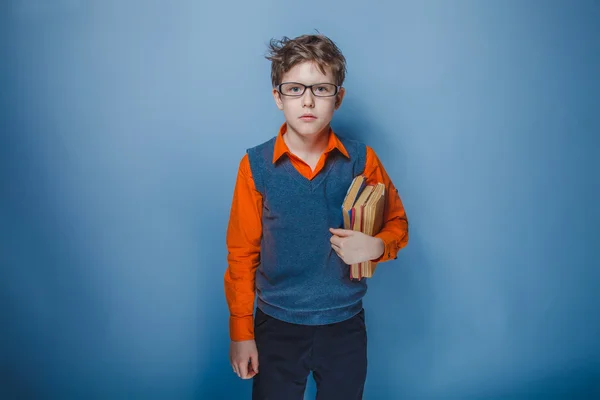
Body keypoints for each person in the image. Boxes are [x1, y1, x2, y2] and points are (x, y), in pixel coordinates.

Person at [224, 33, 409, 400]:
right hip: (276, 323)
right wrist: (241, 332)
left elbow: (397, 224)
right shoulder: (254, 167)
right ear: (278, 97)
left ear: (338, 98)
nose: (308, 100)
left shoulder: (361, 160)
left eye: (321, 88)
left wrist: (375, 246)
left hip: (344, 324)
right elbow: (242, 254)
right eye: (295, 88)